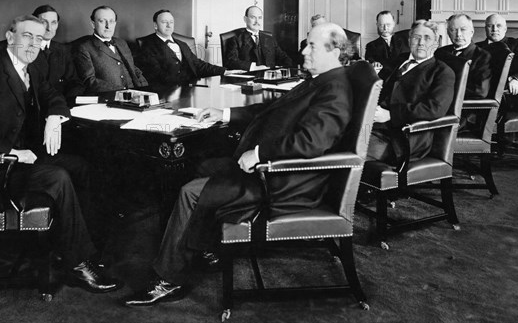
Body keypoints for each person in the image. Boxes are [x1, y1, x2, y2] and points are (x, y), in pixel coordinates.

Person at [124, 22, 354, 307]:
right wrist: (225, 113)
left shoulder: (335, 89)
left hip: (283, 181)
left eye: (312, 46)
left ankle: (169, 279)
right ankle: (205, 246)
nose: (303, 51)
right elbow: (271, 111)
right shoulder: (320, 80)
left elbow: (311, 143)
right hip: (269, 170)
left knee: (191, 192)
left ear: (335, 52)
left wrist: (259, 154)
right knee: (202, 166)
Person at [0, 15, 120, 293]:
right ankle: (76, 264)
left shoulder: (29, 70)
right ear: (10, 38)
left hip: (26, 160)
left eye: (39, 38)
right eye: (27, 36)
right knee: (58, 177)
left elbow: (53, 95)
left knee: (82, 166)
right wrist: (11, 152)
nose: (33, 44)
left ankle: (82, 249)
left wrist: (55, 117)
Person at [366, 19, 455, 164]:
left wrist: (390, 114)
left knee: (351, 151)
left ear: (436, 43)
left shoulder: (442, 72)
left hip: (403, 138)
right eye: (416, 37)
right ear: (409, 40)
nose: (421, 43)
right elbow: (378, 86)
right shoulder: (399, 60)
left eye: (427, 38)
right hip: (373, 127)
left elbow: (434, 109)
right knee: (335, 140)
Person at [135, 9, 227, 87]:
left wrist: (224, 71)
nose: (169, 25)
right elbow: (156, 75)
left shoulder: (182, 44)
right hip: (167, 92)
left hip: (191, 89)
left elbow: (198, 65)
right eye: (164, 22)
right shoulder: (147, 45)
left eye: (171, 22)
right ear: (155, 25)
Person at [73, 6, 148, 94]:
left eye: (111, 21)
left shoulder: (121, 43)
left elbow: (133, 68)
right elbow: (89, 81)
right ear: (93, 24)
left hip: (136, 95)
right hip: (110, 98)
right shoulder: (84, 47)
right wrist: (122, 92)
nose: (108, 26)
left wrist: (146, 90)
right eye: (102, 21)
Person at [31, 4, 84, 105]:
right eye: (43, 22)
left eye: (53, 23)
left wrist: (64, 104)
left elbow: (75, 83)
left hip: (62, 107)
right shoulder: (25, 50)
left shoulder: (63, 49)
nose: (49, 28)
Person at [477, 14, 518, 95]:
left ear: (505, 29)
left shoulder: (517, 45)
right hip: (479, 92)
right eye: (490, 26)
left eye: (499, 26)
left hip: (506, 94)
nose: (494, 29)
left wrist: (517, 79)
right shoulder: (477, 47)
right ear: (485, 29)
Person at [435, 14, 491, 99]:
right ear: (448, 32)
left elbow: (480, 91)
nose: (458, 34)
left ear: (471, 32)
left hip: (461, 106)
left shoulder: (483, 56)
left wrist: (444, 92)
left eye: (463, 29)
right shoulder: (440, 52)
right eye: (453, 30)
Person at [223, 6, 294, 71]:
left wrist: (285, 69)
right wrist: (254, 67)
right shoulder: (236, 39)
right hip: (247, 79)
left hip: (269, 78)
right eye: (253, 17)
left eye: (259, 18)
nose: (257, 21)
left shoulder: (269, 39)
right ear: (245, 19)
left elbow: (283, 57)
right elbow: (231, 61)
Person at [364, 10, 408, 79]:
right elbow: (370, 61)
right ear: (377, 25)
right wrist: (374, 63)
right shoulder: (371, 46)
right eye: (381, 25)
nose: (385, 28)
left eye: (388, 25)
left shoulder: (405, 41)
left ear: (393, 24)